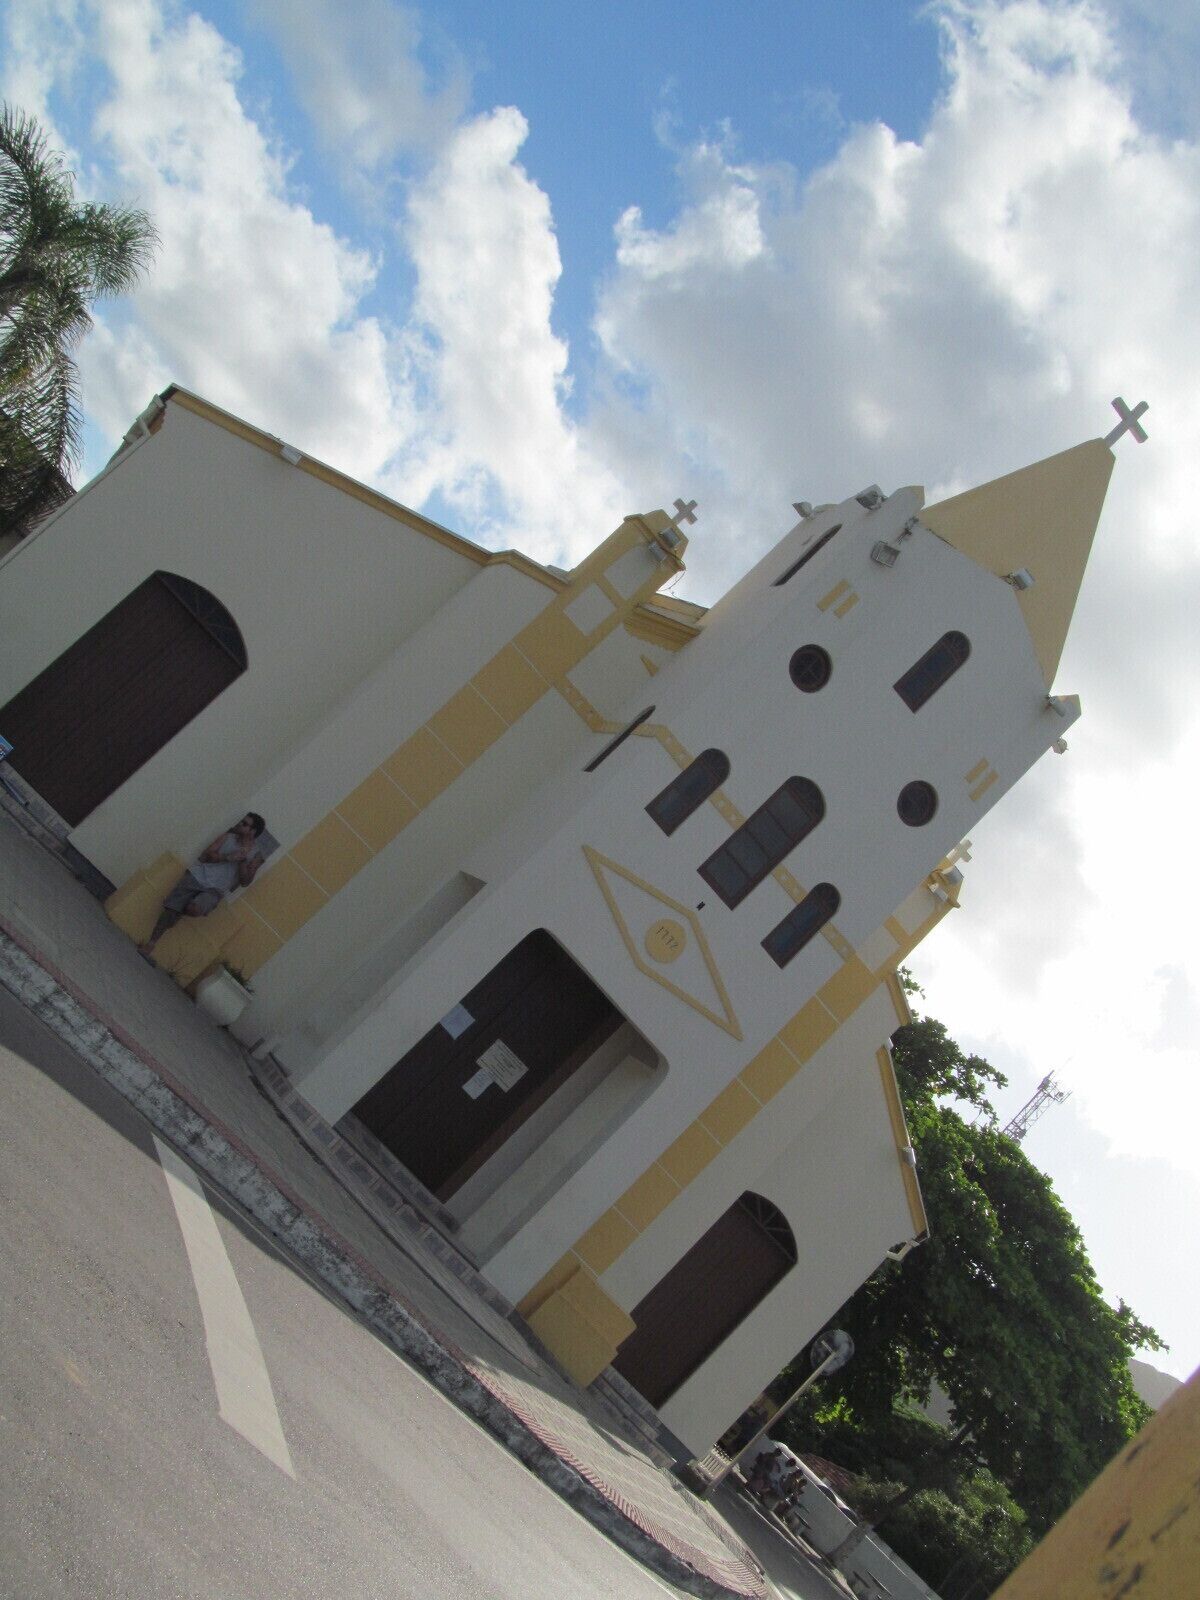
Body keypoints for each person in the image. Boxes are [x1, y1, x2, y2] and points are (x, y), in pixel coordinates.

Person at [138, 813, 267, 958]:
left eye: (244, 824)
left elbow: (245, 882)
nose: (239, 824)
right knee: (170, 910)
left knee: (194, 909)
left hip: (215, 890)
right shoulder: (227, 837)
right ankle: (151, 944)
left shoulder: (256, 855)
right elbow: (205, 855)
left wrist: (242, 861)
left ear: (253, 831)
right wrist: (227, 857)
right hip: (198, 876)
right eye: (241, 821)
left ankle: (180, 910)